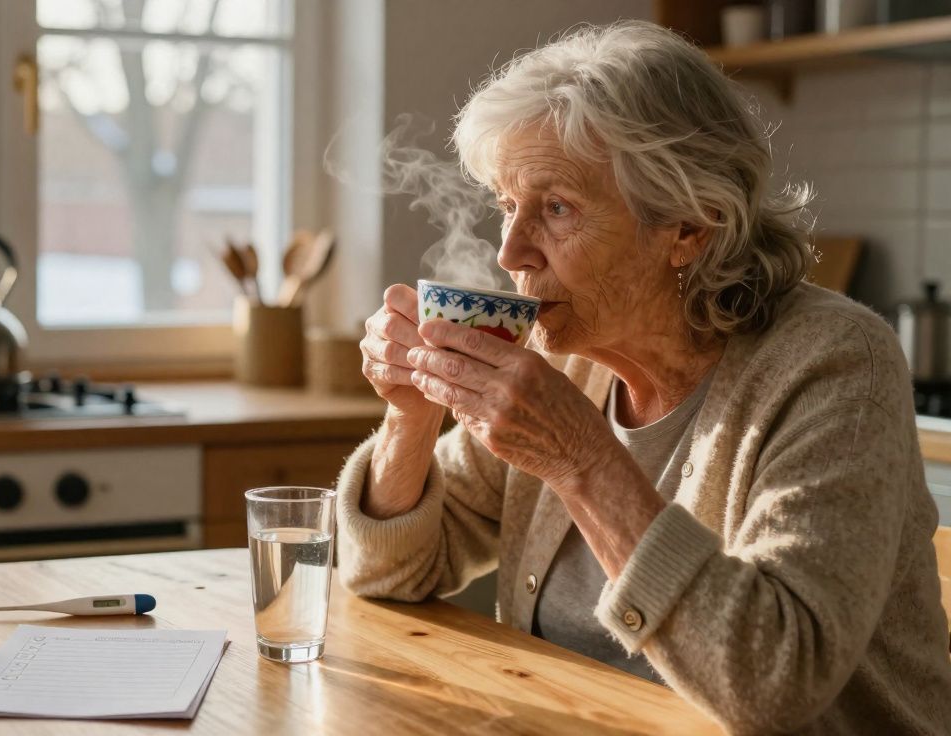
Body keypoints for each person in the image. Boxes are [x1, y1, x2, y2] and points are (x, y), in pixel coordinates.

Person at [339, 20, 951, 735]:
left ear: (690, 227)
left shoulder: (835, 365)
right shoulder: (567, 355)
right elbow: (389, 573)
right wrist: (412, 417)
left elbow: (774, 681)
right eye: (508, 206)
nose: (509, 251)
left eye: (557, 208)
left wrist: (582, 461)